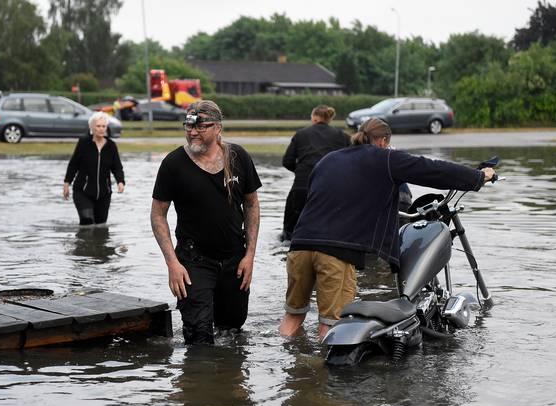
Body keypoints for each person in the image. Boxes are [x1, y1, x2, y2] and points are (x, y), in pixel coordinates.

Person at [279, 118, 496, 339]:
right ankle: (321, 372)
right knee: (332, 326)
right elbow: (433, 169)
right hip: (335, 253)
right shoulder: (386, 158)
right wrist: (478, 177)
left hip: (299, 246)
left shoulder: (328, 159)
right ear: (384, 140)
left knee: (293, 317)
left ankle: (289, 364)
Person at [150, 100, 262, 344]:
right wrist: (172, 263)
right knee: (198, 337)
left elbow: (252, 204)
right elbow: (158, 214)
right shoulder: (174, 164)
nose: (192, 132)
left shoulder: (238, 157)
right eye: (188, 126)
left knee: (231, 332)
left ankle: (229, 381)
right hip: (193, 262)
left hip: (235, 260)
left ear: (218, 127)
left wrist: (250, 255)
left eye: (201, 126)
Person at [281, 105, 350, 241]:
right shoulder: (343, 137)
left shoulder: (300, 134)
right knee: (328, 235)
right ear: (329, 119)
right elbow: (350, 163)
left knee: (290, 235)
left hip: (301, 187)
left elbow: (287, 161)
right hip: (330, 190)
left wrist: (302, 171)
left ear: (314, 117)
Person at [63, 111, 125, 226]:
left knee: (101, 226)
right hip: (82, 191)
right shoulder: (83, 143)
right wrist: (67, 183)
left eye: (103, 126)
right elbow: (73, 164)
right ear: (92, 127)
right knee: (87, 222)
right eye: (98, 126)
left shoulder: (111, 146)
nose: (101, 129)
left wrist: (120, 182)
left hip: (104, 193)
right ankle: (83, 244)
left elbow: (117, 167)